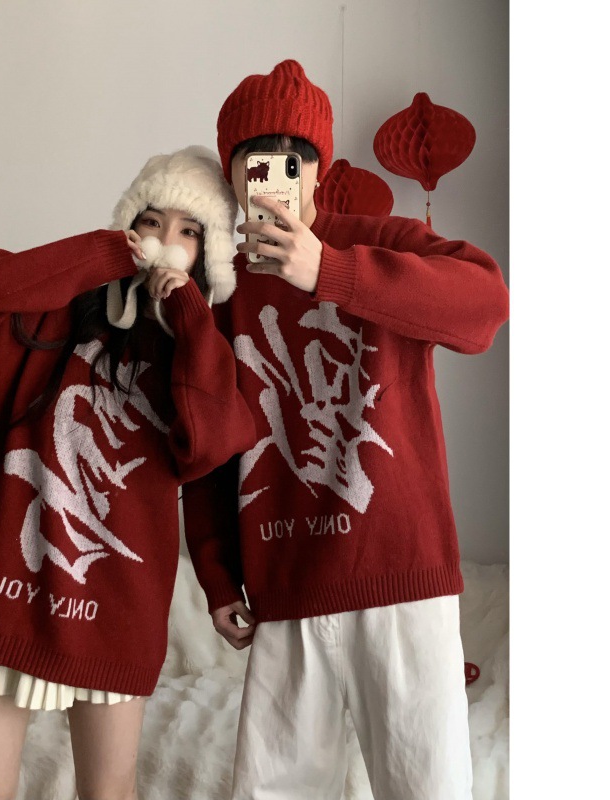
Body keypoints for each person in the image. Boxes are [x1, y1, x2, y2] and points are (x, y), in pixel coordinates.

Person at [182, 60, 510, 800]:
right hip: (286, 584)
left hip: (401, 576)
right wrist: (215, 569)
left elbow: (486, 304)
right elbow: (207, 440)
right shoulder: (222, 287)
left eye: (295, 160)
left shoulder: (380, 242)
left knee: (429, 788)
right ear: (232, 174)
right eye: (257, 161)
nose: (278, 178)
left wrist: (331, 271)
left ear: (318, 170)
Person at [0, 145, 255, 800]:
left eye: (190, 232)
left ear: (208, 256)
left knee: (109, 792)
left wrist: (191, 318)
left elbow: (214, 445)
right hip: (3, 591)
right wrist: (102, 255)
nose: (165, 242)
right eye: (151, 221)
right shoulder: (49, 320)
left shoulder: (197, 357)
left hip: (117, 611)